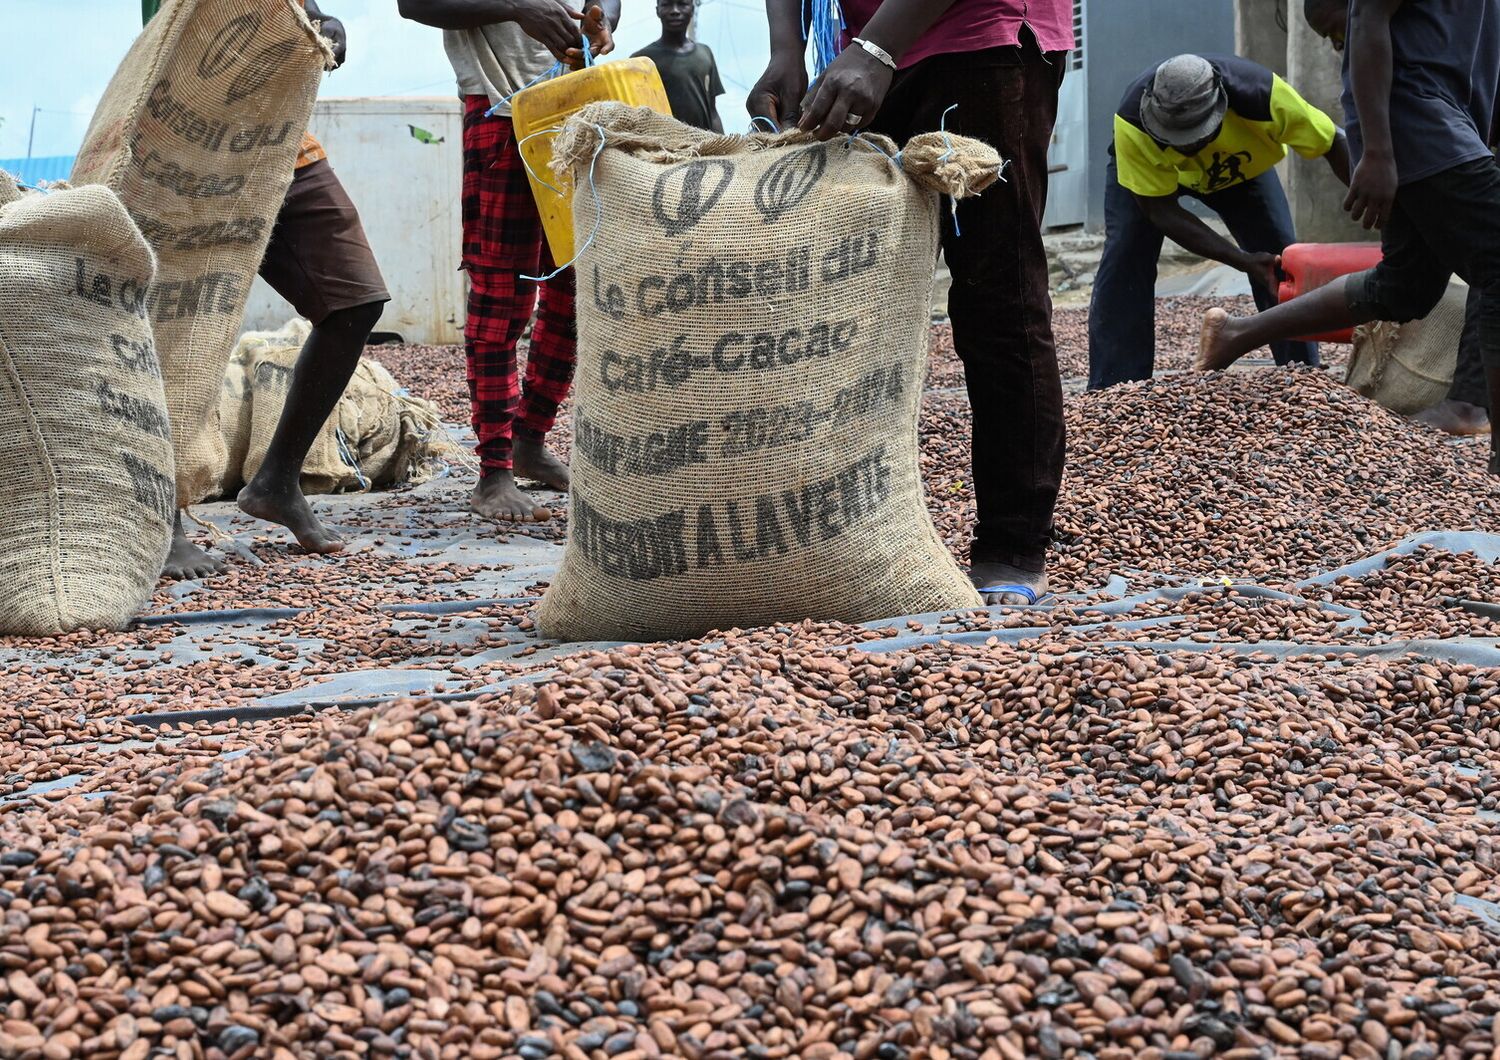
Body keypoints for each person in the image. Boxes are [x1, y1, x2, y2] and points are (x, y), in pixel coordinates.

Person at [749, 0, 1073, 606]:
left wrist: (877, 48)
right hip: (869, 54)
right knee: (846, 305)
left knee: (995, 296)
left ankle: (1012, 543)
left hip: (977, 38)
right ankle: (838, 537)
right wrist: (786, 50)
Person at [1199, 0, 1500, 476]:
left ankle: (1236, 334)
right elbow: (1366, 18)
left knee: (1405, 286)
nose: (1335, 46)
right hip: (1415, 121)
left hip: (1445, 126)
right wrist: (1377, 152)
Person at [144, 0, 391, 579]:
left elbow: (301, 11)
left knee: (355, 300)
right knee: (177, 328)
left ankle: (276, 482)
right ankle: (165, 515)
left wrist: (326, 27)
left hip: (282, 143)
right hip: (187, 144)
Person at [398, 0, 617, 523]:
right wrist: (519, 9)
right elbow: (415, 3)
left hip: (576, 106)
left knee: (575, 290)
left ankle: (530, 440)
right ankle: (494, 471)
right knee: (502, 299)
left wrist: (600, 15)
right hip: (500, 105)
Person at [1087, 54, 1350, 390]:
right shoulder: (1132, 122)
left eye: (1196, 137)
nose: (1187, 150)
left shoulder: (1260, 94)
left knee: (1280, 261)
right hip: (1155, 184)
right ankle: (1117, 389)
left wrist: (1374, 202)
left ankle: (1302, 377)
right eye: (1175, 138)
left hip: (1239, 172)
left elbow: (1332, 140)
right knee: (1125, 258)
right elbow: (1160, 211)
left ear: (1222, 108)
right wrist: (1241, 261)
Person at [633, 0, 725, 131]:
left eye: (682, 4)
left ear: (692, 9)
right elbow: (636, 111)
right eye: (666, 4)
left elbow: (712, 111)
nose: (675, 11)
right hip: (663, 145)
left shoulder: (705, 54)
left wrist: (723, 143)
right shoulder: (642, 59)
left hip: (704, 144)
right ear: (657, 10)